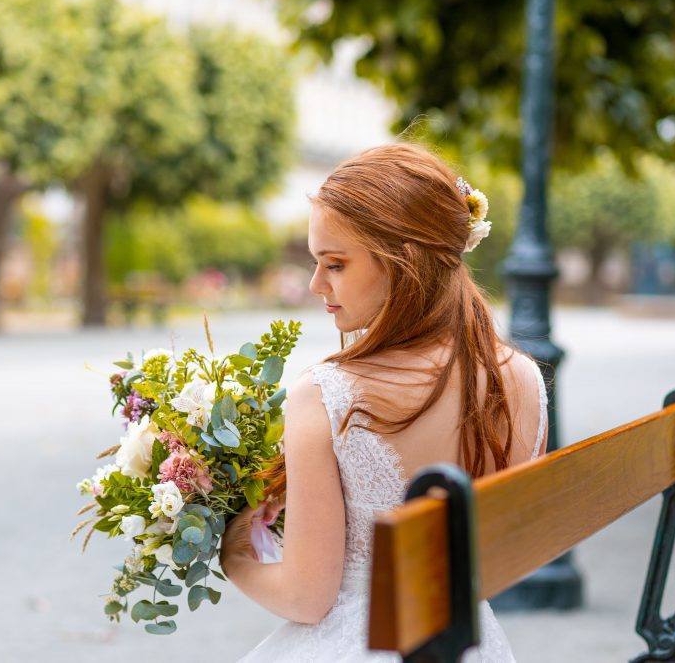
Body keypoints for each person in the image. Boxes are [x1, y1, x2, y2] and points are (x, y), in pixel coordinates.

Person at [219, 143, 548, 662]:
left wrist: (232, 552)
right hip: (473, 644)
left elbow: (307, 597)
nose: (315, 284)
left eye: (335, 264)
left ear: (405, 261)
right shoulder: (523, 377)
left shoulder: (326, 395)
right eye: (316, 262)